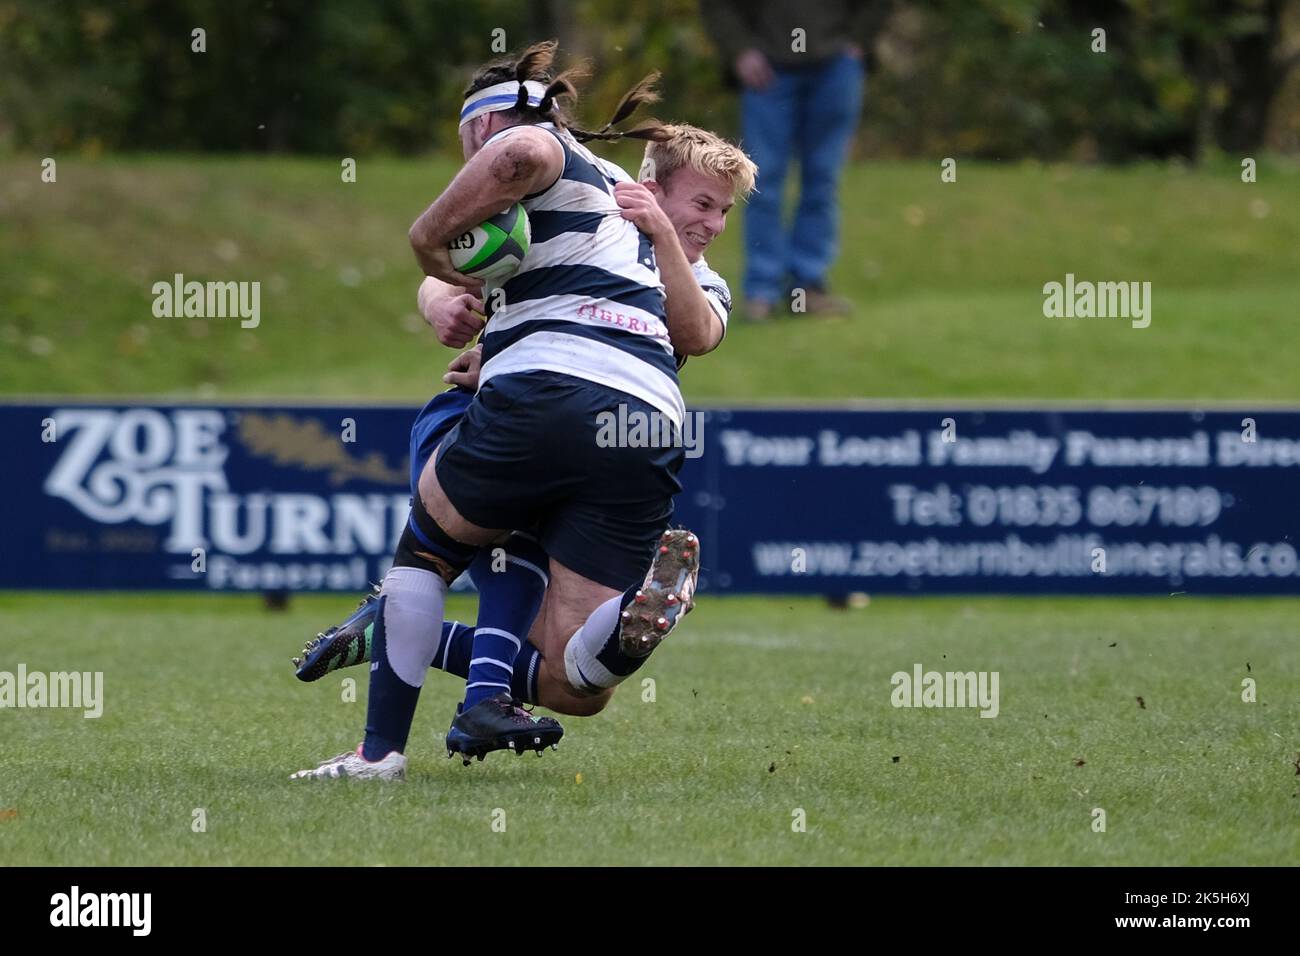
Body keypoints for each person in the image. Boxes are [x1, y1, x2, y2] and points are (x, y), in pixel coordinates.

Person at [293, 41, 711, 780]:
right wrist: (436, 296)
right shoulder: (624, 210)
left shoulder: (540, 145)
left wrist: (424, 241)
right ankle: (625, 628)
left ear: (479, 130)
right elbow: (489, 279)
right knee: (570, 679)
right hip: (648, 417)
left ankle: (378, 754)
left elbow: (521, 149)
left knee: (425, 550)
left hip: (549, 391)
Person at [700, 0, 874, 320]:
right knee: (761, 179)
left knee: (822, 179)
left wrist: (859, 41)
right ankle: (761, 292)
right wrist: (740, 50)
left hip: (835, 65)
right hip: (767, 69)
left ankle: (808, 288)